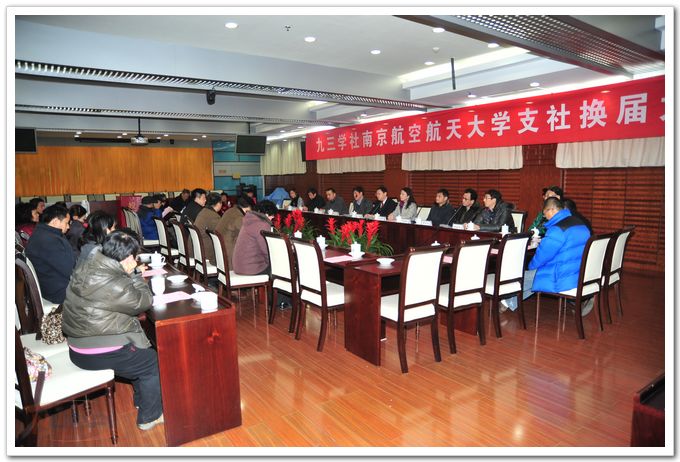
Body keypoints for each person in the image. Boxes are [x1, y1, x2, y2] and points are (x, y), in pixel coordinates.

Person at [62, 231, 164, 431]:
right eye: (134, 257)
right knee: (152, 362)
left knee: (141, 352)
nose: (135, 261)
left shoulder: (87, 264)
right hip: (96, 352)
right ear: (127, 258)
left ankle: (141, 401)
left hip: (77, 344)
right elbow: (143, 301)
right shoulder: (113, 282)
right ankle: (150, 416)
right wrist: (135, 275)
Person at [502, 197, 593, 316]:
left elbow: (542, 256)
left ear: (552, 210)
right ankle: (507, 303)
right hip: (579, 271)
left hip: (562, 275)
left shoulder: (557, 229)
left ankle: (503, 301)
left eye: (545, 214)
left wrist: (530, 266)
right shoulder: (580, 223)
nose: (545, 217)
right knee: (534, 279)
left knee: (523, 277)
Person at [25, 205, 76, 304]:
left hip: (49, 287)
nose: (68, 227)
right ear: (55, 221)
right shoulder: (50, 241)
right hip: (58, 292)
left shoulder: (42, 233)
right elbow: (69, 270)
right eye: (66, 223)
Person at [232, 200, 277, 275]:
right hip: (251, 268)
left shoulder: (250, 220)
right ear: (266, 213)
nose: (273, 218)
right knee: (283, 268)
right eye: (272, 215)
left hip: (239, 266)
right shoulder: (262, 224)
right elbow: (266, 251)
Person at [215, 196, 254, 269]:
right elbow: (250, 233)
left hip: (220, 250)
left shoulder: (230, 210)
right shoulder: (239, 217)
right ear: (248, 208)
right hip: (229, 255)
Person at [193, 192, 223, 264]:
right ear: (218, 204)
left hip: (197, 248)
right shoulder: (213, 216)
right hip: (206, 252)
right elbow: (222, 233)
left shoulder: (204, 211)